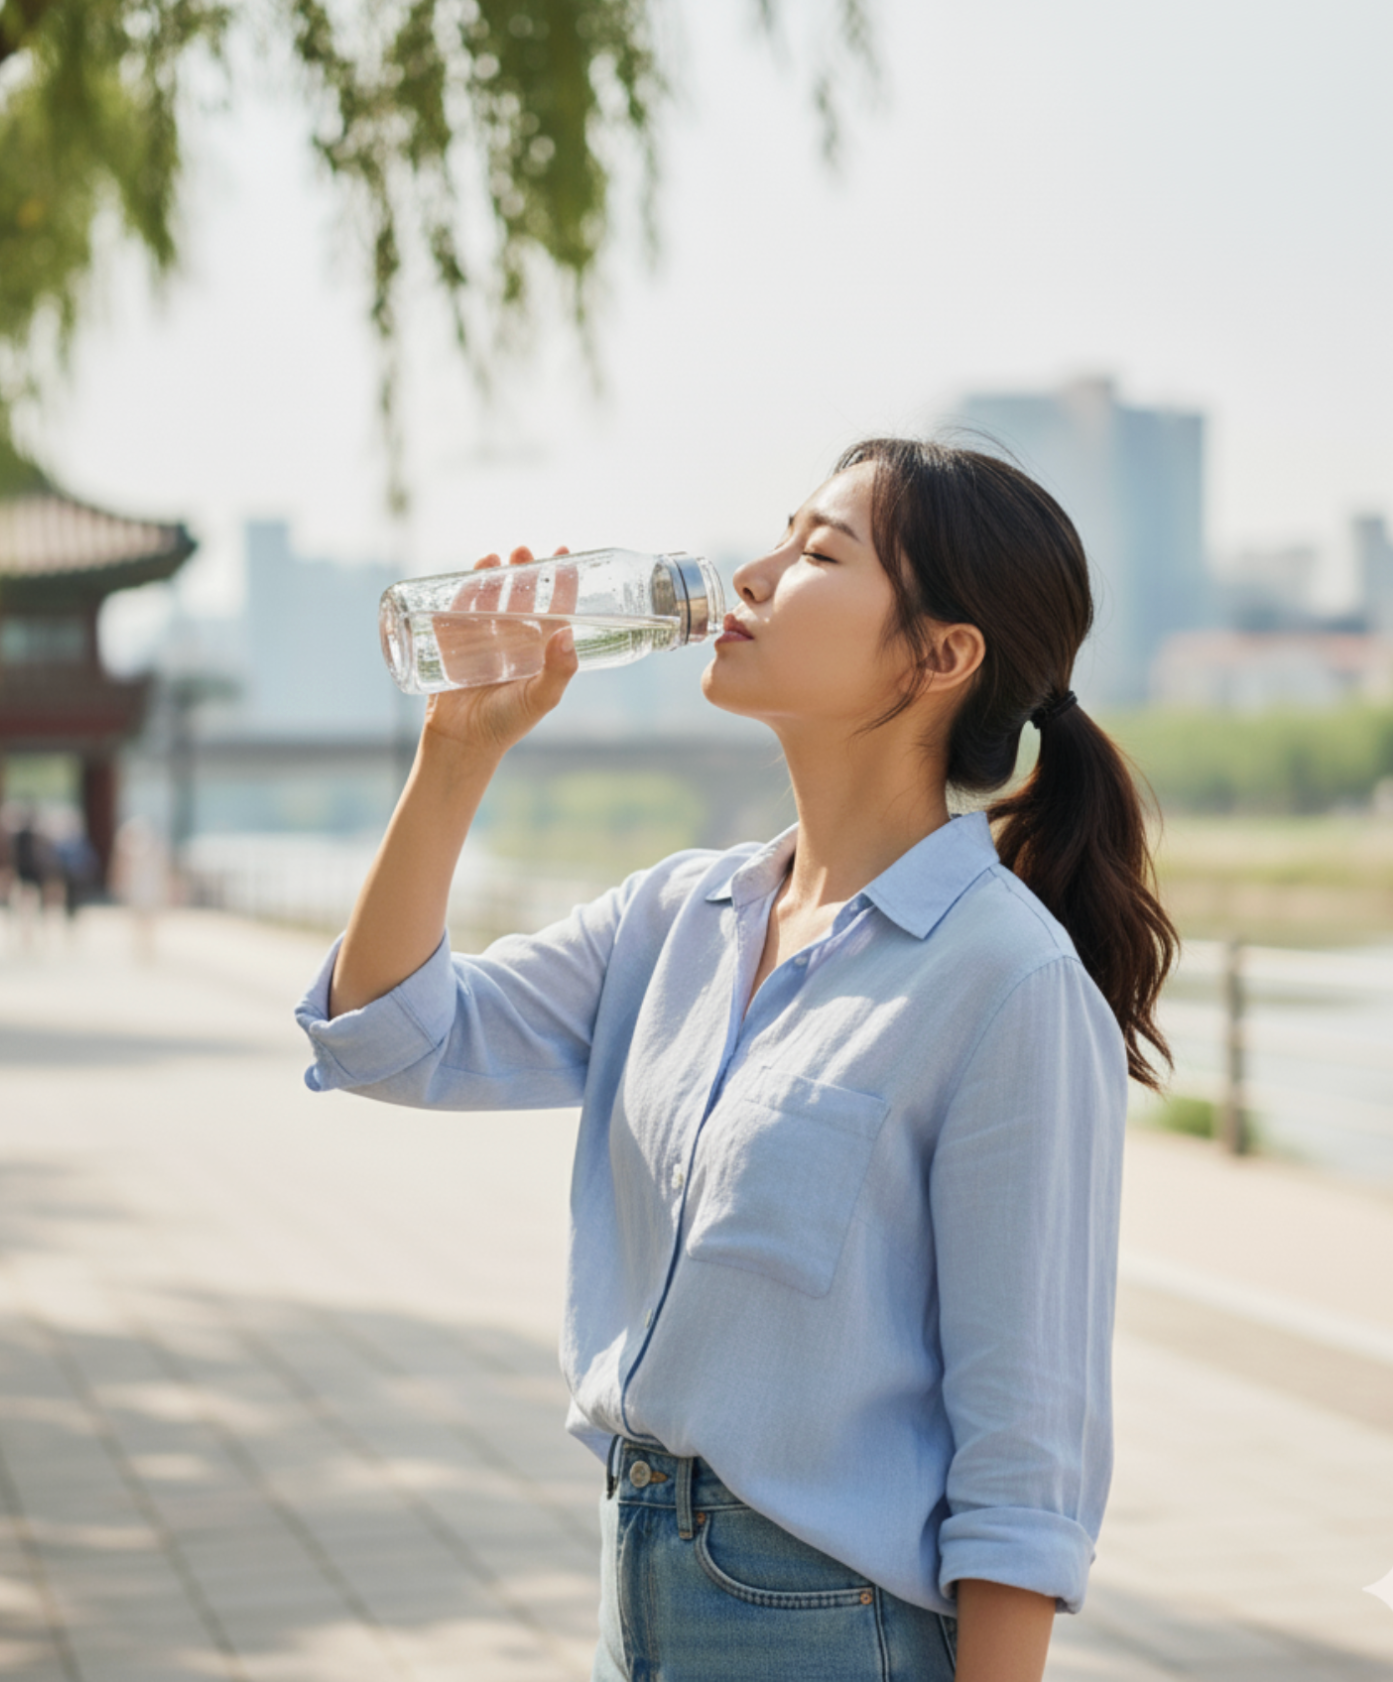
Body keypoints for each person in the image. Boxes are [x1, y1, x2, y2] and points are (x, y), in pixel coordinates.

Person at [295, 438, 1177, 1682]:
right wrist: (458, 749)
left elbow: (1023, 1460)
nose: (750, 575)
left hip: (833, 1629)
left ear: (941, 656)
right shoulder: (678, 917)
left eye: (817, 552)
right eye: (777, 537)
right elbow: (389, 1036)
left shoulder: (1004, 984)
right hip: (636, 1594)